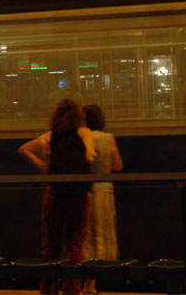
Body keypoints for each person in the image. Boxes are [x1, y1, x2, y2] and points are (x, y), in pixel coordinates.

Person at [18, 99, 95, 295]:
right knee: (74, 246)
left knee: (50, 246)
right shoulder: (84, 132)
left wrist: (44, 166)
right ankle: (72, 290)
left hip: (54, 193)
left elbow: (23, 149)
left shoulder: (50, 136)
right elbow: (90, 157)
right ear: (79, 116)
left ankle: (48, 291)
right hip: (78, 195)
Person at [81, 104, 123, 295]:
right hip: (105, 190)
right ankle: (93, 283)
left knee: (86, 236)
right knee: (102, 235)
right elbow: (117, 165)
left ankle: (85, 283)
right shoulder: (109, 138)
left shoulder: (84, 138)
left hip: (87, 191)